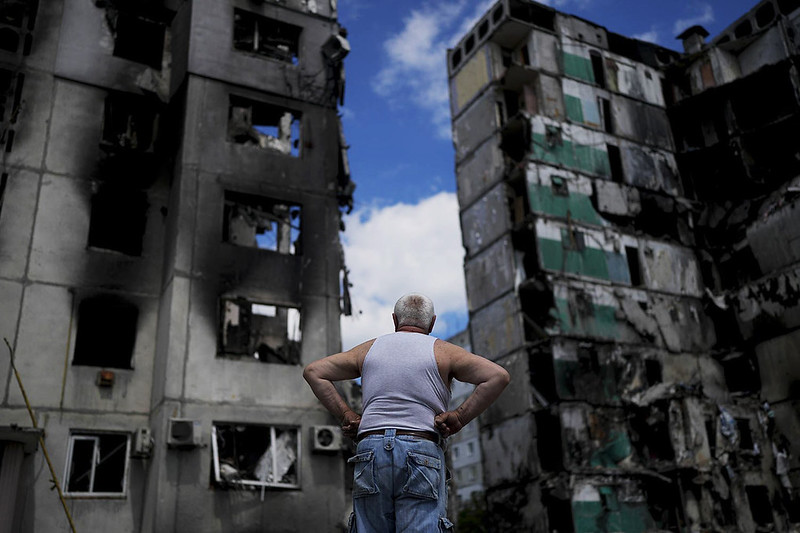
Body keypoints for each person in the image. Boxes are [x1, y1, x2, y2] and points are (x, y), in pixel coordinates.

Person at [303, 293, 510, 533]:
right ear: (431, 323)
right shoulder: (444, 351)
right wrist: (460, 417)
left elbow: (314, 371)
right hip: (420, 448)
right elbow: (498, 376)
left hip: (371, 448)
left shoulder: (368, 349)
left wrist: (347, 415)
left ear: (395, 320)